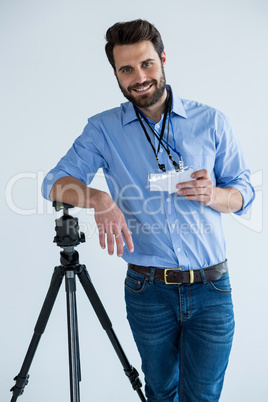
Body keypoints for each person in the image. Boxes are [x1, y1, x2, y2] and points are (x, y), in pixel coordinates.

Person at [42, 19, 255, 401]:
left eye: (146, 64)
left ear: (163, 60)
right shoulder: (103, 129)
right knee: (160, 392)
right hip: (148, 291)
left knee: (203, 396)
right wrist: (99, 199)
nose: (139, 77)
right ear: (116, 75)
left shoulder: (211, 122)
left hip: (211, 289)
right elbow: (54, 184)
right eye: (126, 70)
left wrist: (215, 195)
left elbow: (245, 192)